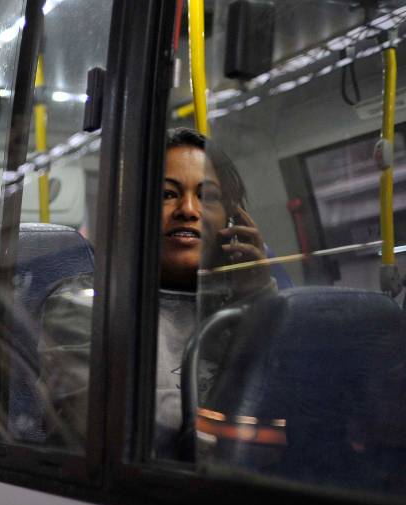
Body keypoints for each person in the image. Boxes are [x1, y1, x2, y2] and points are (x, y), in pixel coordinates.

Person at [39, 127, 273, 457]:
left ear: (232, 220)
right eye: (167, 194)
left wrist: (259, 302)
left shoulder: (246, 305)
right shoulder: (83, 305)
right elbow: (125, 429)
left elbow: (299, 402)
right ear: (129, 211)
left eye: (207, 197)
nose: (189, 209)